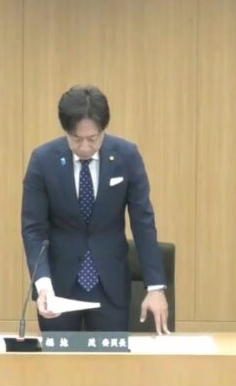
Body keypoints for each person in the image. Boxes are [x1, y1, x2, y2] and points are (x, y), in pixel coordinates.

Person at [21, 85, 169, 335]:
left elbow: (143, 223)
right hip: (57, 286)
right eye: (76, 139)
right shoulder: (43, 161)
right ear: (65, 131)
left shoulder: (127, 156)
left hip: (110, 285)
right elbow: (34, 229)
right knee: (58, 359)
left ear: (103, 130)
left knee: (110, 359)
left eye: (92, 139)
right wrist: (43, 283)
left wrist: (155, 287)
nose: (85, 147)